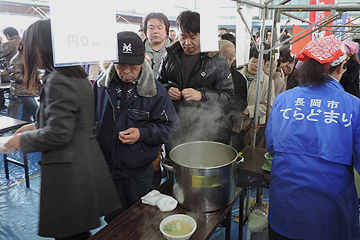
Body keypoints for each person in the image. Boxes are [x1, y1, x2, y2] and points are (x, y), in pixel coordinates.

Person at [4, 19, 121, 240]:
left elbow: (59, 133)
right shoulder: (74, 73)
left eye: (30, 45)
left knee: (70, 233)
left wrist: (21, 141)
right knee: (78, 230)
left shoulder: (58, 79)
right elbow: (70, 120)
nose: (27, 51)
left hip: (69, 170)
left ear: (41, 47)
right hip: (84, 162)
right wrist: (30, 127)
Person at [265, 35, 360, 240]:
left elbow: (271, 146)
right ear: (340, 67)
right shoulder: (354, 107)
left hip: (285, 208)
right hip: (330, 216)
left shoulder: (283, 100)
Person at [93, 31, 179, 217]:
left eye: (132, 65)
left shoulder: (156, 92)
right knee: (112, 216)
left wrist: (142, 134)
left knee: (140, 215)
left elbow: (170, 126)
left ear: (142, 61)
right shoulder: (100, 87)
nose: (126, 71)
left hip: (139, 170)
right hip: (107, 168)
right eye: (120, 64)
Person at [157, 10, 234, 151]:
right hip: (174, 126)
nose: (187, 42)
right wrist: (167, 89)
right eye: (183, 36)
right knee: (175, 164)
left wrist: (202, 95)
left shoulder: (216, 61)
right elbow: (158, 83)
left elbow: (228, 96)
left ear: (202, 35)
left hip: (204, 128)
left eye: (193, 37)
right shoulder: (169, 56)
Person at [237, 46, 275, 149]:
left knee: (249, 155)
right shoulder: (236, 76)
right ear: (247, 61)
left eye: (260, 63)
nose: (257, 66)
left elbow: (270, 106)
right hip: (234, 124)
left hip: (253, 127)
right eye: (254, 61)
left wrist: (249, 110)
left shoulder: (267, 81)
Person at [218, 40, 247, 148]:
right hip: (202, 123)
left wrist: (229, 109)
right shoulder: (205, 72)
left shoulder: (239, 79)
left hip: (225, 125)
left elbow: (243, 103)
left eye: (231, 59)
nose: (228, 62)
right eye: (225, 57)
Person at [8, 39, 38, 123]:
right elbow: (16, 76)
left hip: (28, 89)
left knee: (26, 114)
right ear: (21, 47)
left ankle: (24, 129)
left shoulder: (30, 58)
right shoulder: (16, 59)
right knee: (36, 109)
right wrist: (33, 79)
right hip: (21, 90)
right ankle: (39, 129)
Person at [143, 12, 172, 78]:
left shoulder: (175, 50)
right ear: (146, 30)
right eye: (151, 28)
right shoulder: (138, 49)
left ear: (166, 30)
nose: (155, 31)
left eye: (159, 28)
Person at [0, 27, 21, 114]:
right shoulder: (25, 41)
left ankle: (13, 123)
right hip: (28, 73)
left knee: (14, 100)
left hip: (15, 74)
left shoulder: (9, 44)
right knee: (25, 98)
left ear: (8, 35)